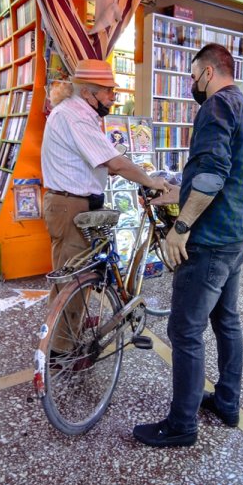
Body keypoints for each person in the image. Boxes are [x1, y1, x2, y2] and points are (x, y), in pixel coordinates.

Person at [133, 43, 243, 448]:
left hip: (209, 240)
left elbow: (211, 174)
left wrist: (182, 225)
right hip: (235, 234)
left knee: (185, 330)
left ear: (208, 72)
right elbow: (226, 176)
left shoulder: (216, 106)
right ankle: (226, 402)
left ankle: (182, 424)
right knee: (226, 321)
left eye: (192, 76)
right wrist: (176, 193)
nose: (192, 84)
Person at [41, 60, 170, 354]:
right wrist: (150, 180)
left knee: (74, 275)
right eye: (109, 91)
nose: (114, 97)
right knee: (73, 278)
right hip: (71, 206)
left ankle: (68, 329)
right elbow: (115, 162)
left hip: (73, 203)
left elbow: (95, 159)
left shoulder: (75, 112)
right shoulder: (76, 117)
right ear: (88, 92)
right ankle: (62, 351)